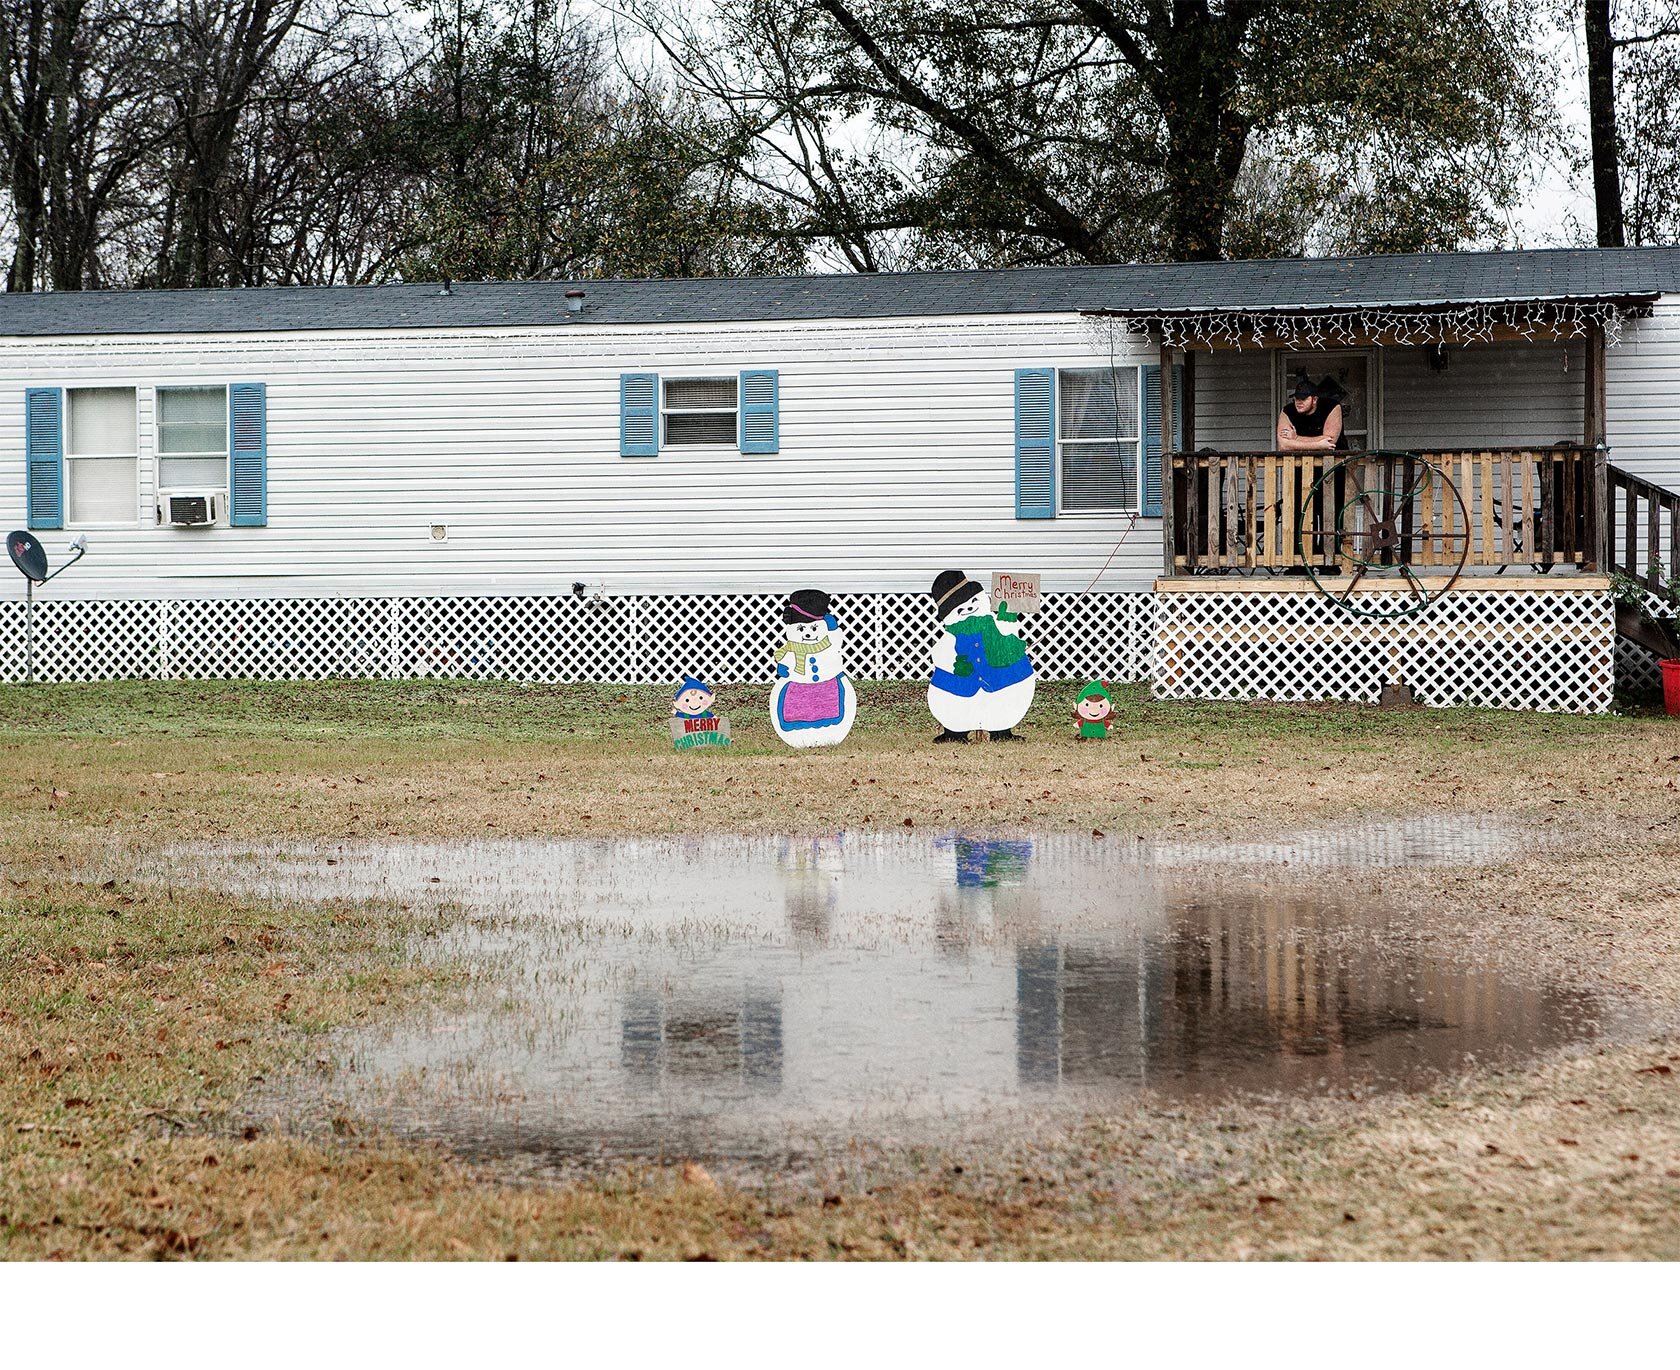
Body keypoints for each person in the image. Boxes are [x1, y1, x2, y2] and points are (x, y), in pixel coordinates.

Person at [1276, 377, 1346, 451]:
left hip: (1334, 459)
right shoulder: (1287, 411)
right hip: (1297, 461)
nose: (1299, 402)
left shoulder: (1331, 406)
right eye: (1296, 398)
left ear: (1315, 399)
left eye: (1303, 398)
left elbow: (1330, 441)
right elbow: (1284, 445)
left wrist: (1296, 438)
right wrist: (1318, 445)